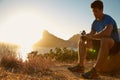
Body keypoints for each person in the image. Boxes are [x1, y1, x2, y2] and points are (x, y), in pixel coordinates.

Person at [68, 0, 120, 79]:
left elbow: (107, 33)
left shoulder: (108, 19)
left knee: (105, 40)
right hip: (102, 44)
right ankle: (80, 66)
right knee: (81, 41)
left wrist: (91, 37)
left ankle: (95, 71)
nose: (94, 14)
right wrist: (86, 37)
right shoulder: (95, 22)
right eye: (93, 11)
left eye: (96, 11)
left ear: (102, 10)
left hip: (114, 45)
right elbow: (92, 34)